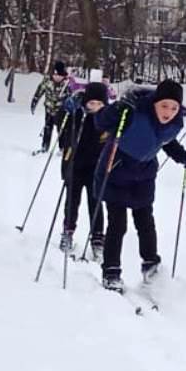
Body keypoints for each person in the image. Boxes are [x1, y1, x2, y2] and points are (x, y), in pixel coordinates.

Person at [94, 79, 186, 291]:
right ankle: (111, 270)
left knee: (145, 222)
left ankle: (151, 265)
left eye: (174, 107)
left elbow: (166, 142)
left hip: (143, 176)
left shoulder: (173, 124)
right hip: (116, 170)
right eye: (164, 106)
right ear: (155, 103)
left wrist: (183, 156)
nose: (168, 112)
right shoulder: (133, 111)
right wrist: (117, 107)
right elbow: (101, 122)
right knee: (117, 224)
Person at [58, 81, 110, 260]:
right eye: (91, 103)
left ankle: (97, 239)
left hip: (97, 169)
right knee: (72, 201)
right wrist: (66, 110)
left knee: (95, 203)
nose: (95, 107)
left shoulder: (107, 120)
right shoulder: (78, 115)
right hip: (75, 165)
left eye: (99, 104)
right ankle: (68, 231)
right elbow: (61, 128)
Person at [30, 60, 70, 154]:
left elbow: (72, 97)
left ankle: (62, 148)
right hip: (48, 108)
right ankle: (45, 146)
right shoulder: (47, 80)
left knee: (61, 129)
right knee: (48, 127)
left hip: (61, 110)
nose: (56, 77)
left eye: (59, 76)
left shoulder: (67, 84)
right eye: (55, 75)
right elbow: (40, 90)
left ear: (63, 75)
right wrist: (34, 101)